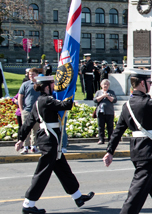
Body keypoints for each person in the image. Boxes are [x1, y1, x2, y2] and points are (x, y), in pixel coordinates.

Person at [102, 69, 152, 214]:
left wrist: (110, 151)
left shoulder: (127, 105)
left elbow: (118, 131)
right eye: (149, 82)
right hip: (148, 151)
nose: (151, 85)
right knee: (137, 191)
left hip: (137, 150)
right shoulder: (147, 103)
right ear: (141, 84)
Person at [15, 75, 94, 214]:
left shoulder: (39, 101)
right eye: (52, 84)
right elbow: (66, 105)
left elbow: (28, 122)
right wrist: (70, 91)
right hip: (49, 140)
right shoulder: (47, 100)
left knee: (63, 169)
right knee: (43, 172)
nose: (54, 87)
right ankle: (28, 204)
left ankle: (77, 196)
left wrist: (21, 139)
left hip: (50, 140)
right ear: (46, 86)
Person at [18, 68, 41, 154]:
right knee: (25, 129)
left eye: (33, 74)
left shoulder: (40, 84)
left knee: (35, 129)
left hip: (37, 110)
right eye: (30, 75)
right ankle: (25, 146)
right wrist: (21, 109)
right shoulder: (25, 84)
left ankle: (34, 146)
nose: (31, 76)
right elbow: (20, 96)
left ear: (37, 75)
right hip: (27, 110)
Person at [94, 79, 117, 144]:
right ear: (101, 85)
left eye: (107, 84)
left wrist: (107, 96)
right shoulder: (98, 92)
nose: (106, 85)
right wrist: (103, 96)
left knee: (110, 127)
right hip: (100, 112)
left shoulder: (111, 92)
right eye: (104, 84)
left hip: (109, 112)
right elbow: (95, 100)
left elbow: (114, 100)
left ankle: (110, 140)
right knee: (101, 126)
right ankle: (101, 139)